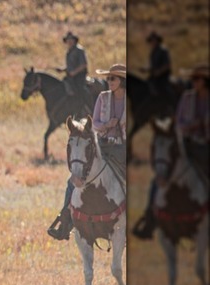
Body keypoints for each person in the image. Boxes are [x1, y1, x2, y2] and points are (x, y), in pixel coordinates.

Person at [48, 64, 127, 240]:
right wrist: (107, 125)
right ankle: (65, 220)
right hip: (102, 145)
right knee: (74, 179)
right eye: (108, 78)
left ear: (121, 81)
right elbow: (95, 122)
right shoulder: (103, 98)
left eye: (112, 78)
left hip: (123, 146)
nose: (109, 81)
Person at [133, 65, 209, 239]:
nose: (194, 82)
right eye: (193, 79)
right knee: (161, 174)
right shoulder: (187, 98)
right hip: (185, 144)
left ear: (205, 82)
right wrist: (189, 127)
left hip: (205, 146)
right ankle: (150, 218)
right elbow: (180, 121)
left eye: (197, 79)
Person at [56, 31, 91, 112]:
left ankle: (86, 108)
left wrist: (74, 72)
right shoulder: (69, 52)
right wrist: (63, 69)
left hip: (80, 76)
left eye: (71, 39)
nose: (69, 41)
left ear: (74, 40)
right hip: (71, 76)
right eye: (68, 40)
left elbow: (83, 64)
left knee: (80, 89)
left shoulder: (79, 50)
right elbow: (70, 66)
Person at [140, 31, 173, 101]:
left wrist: (159, 71)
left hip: (163, 76)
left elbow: (167, 65)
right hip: (154, 76)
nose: (152, 42)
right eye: (151, 41)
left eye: (154, 40)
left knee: (164, 89)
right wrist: (145, 69)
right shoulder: (153, 52)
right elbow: (152, 66)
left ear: (157, 40)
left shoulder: (163, 50)